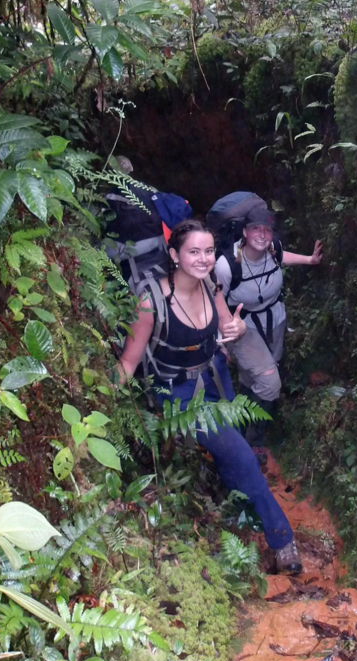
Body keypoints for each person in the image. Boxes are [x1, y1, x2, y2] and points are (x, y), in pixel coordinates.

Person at [117, 218, 302, 575]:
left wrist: (239, 327)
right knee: (242, 456)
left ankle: (241, 512)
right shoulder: (151, 300)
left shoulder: (211, 283)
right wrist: (101, 395)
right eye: (193, 252)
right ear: (174, 254)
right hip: (181, 395)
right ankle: (282, 541)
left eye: (208, 251)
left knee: (231, 458)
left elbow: (226, 324)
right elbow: (129, 360)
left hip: (215, 378)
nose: (203, 259)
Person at [213, 207, 322, 463]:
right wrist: (224, 333)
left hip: (275, 319)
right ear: (244, 231)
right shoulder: (227, 265)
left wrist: (309, 260)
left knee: (253, 379)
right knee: (271, 382)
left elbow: (283, 256)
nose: (262, 234)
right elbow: (214, 296)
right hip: (243, 326)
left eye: (267, 229)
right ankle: (255, 441)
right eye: (255, 228)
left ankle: (237, 426)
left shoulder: (273, 248)